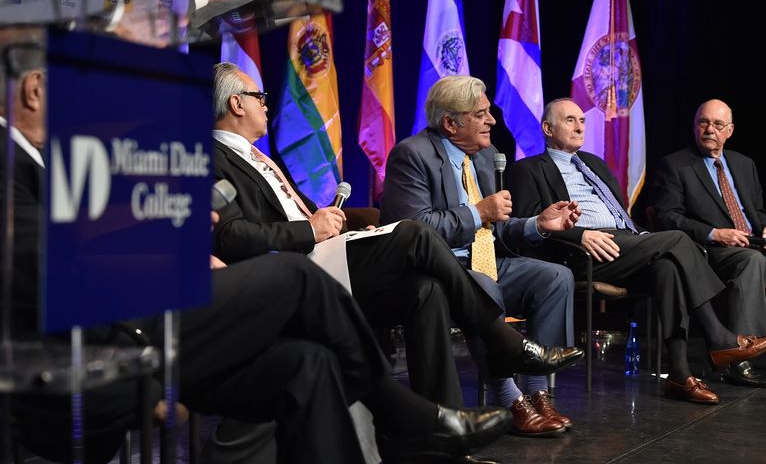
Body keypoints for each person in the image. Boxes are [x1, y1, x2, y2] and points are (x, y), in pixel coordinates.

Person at [0, 31, 512, 464]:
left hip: (156, 311)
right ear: (37, 89)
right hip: (119, 334)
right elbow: (48, 266)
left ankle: (415, 425)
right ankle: (409, 411)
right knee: (302, 275)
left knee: (309, 363)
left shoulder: (47, 162)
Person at [209, 63, 583, 408]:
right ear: (237, 104)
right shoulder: (211, 158)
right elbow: (228, 236)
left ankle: (442, 421)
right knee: (414, 232)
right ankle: (506, 343)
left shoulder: (260, 158)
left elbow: (307, 216)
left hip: (330, 254)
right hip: (295, 270)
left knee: (426, 290)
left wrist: (357, 232)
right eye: (259, 97)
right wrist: (309, 229)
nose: (265, 104)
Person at [506, 98, 766, 401]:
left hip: (625, 243)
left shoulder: (594, 163)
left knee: (667, 267)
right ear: (548, 128)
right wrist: (580, 234)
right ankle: (719, 337)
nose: (580, 127)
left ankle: (679, 374)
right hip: (580, 251)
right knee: (677, 240)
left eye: (582, 121)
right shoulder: (527, 169)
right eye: (570, 120)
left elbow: (621, 214)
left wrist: (642, 238)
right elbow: (532, 225)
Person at [381, 76, 585, 435]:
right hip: (439, 270)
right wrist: (478, 212)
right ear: (450, 123)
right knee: (483, 285)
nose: (492, 120)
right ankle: (508, 396)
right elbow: (415, 228)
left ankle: (537, 393)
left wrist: (538, 223)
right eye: (481, 114)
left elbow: (496, 229)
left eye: (489, 111)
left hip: (486, 258)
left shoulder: (488, 156)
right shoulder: (412, 154)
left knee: (555, 277)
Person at [651, 99, 766, 381]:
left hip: (753, 244)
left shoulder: (743, 164)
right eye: (703, 123)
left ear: (730, 130)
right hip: (711, 251)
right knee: (751, 260)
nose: (709, 130)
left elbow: (757, 212)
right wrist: (715, 233)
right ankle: (738, 357)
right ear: (694, 126)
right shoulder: (675, 165)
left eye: (717, 124)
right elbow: (667, 217)